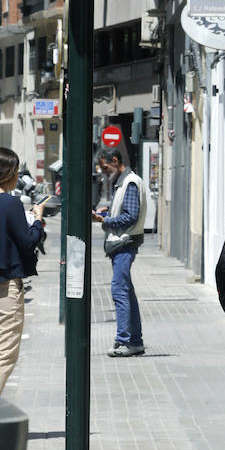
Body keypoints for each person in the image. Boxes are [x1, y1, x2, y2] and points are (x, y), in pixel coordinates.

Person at [0, 148, 47, 393]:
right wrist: (37, 221)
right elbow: (27, 243)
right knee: (5, 353)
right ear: (7, 173)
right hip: (5, 286)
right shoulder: (10, 203)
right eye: (16, 171)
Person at [93, 148, 147, 358]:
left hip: (125, 244)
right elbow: (125, 212)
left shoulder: (130, 182)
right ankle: (135, 341)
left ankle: (124, 340)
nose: (104, 172)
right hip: (122, 244)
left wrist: (104, 221)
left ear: (114, 161)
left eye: (105, 167)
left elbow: (130, 216)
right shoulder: (123, 182)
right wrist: (108, 214)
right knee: (127, 293)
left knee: (119, 291)